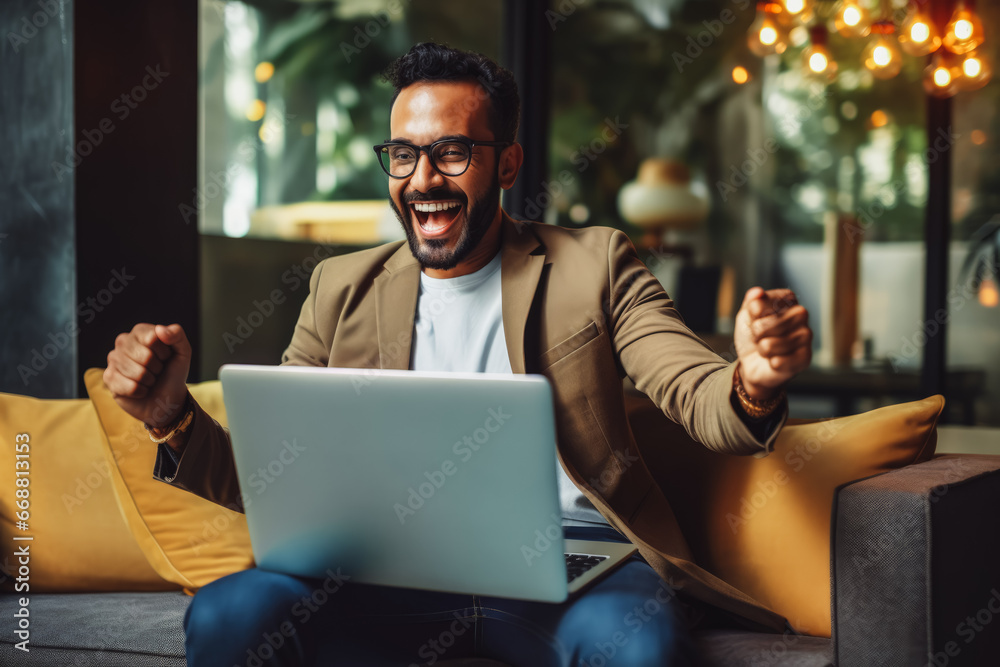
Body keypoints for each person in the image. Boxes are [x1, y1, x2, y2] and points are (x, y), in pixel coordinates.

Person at [104, 43, 812, 666]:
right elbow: (279, 481)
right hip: (386, 573)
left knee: (637, 646)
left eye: (451, 152)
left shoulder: (594, 264)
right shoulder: (338, 288)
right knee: (230, 613)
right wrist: (174, 418)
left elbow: (696, 392)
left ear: (505, 162)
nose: (422, 180)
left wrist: (751, 379)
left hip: (575, 571)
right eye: (404, 154)